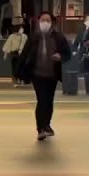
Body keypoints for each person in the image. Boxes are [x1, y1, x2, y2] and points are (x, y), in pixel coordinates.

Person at [18, 12, 72, 140]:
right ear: (38, 22)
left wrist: (60, 56)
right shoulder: (34, 37)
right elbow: (25, 54)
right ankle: (41, 128)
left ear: (52, 22)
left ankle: (47, 124)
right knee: (42, 100)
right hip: (37, 74)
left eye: (48, 20)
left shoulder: (58, 37)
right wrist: (19, 72)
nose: (45, 23)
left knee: (49, 101)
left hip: (52, 74)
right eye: (43, 20)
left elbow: (67, 54)